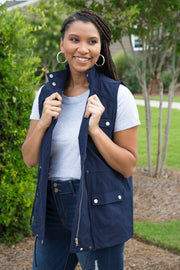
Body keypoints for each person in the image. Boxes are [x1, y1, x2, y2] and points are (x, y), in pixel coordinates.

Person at [22, 9, 140, 270]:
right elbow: (29, 158)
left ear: (101, 47)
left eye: (92, 41)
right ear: (62, 44)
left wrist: (96, 131)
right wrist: (42, 123)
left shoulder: (118, 96)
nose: (82, 49)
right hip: (52, 207)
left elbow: (128, 166)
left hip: (97, 207)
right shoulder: (45, 93)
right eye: (74, 39)